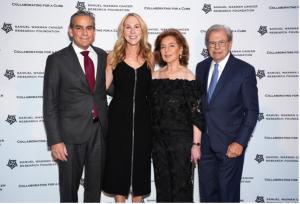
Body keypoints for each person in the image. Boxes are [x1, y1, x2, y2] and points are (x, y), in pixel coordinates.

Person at [43, 10, 108, 202]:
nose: (85, 32)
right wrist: (55, 140)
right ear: (70, 31)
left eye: (89, 28)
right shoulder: (57, 60)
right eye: (79, 27)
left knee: (94, 190)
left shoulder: (103, 56)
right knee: (69, 191)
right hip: (69, 136)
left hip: (99, 132)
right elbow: (50, 103)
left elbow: (108, 88)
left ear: (94, 31)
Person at [196, 24, 259, 202]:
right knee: (207, 196)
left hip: (230, 146)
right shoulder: (201, 67)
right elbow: (201, 106)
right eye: (212, 43)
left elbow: (252, 111)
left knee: (227, 196)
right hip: (205, 146)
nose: (216, 47)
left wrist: (240, 142)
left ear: (230, 44)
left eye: (221, 42)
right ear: (207, 45)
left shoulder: (244, 70)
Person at [103, 13, 153, 203]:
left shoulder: (150, 57)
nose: (132, 31)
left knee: (140, 167)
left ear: (142, 30)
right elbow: (102, 90)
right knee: (118, 165)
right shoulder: (113, 57)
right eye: (128, 27)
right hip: (117, 119)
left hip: (143, 120)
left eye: (136, 27)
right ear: (122, 31)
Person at [150, 28, 205, 202]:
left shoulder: (188, 77)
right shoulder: (154, 76)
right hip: (158, 143)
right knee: (163, 188)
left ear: (181, 49)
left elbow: (196, 113)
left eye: (171, 46)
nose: (166, 50)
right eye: (163, 47)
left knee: (181, 188)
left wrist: (196, 144)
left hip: (182, 142)